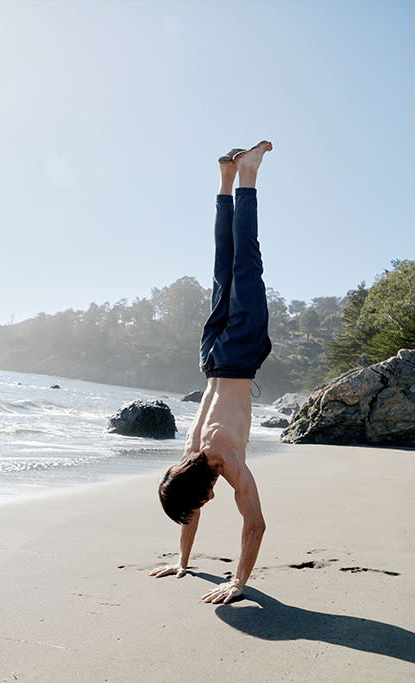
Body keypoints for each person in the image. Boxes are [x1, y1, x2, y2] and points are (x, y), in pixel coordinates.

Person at [149, 141, 274, 605]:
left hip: (238, 355)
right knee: (224, 266)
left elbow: (256, 523)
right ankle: (225, 179)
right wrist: (182, 562)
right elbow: (188, 508)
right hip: (210, 355)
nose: (201, 506)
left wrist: (239, 582)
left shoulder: (223, 458)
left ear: (200, 486)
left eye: (198, 500)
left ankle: (248, 175)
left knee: (247, 260)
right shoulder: (187, 458)